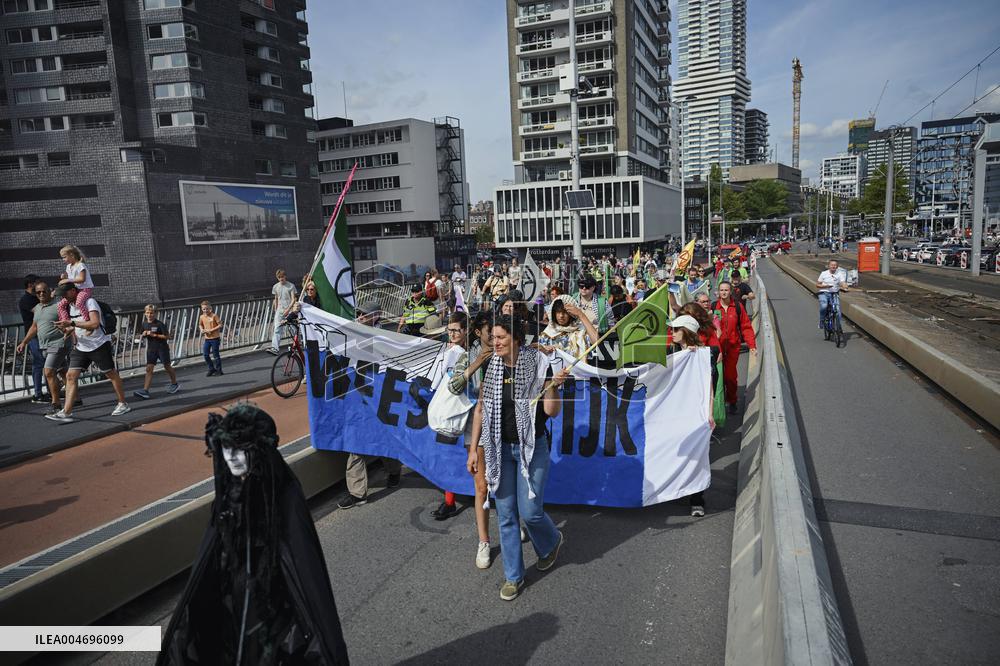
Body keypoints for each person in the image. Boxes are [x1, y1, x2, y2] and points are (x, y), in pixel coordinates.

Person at [157, 405, 349, 665]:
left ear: (258, 450)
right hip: (232, 595)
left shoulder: (282, 493)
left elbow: (302, 564)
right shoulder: (228, 490)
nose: (232, 457)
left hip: (273, 598)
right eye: (226, 449)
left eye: (240, 449)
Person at [467, 316, 572, 600]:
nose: (495, 342)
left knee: (531, 512)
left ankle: (551, 541)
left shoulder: (538, 363)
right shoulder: (491, 366)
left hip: (532, 448)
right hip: (499, 449)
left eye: (501, 338)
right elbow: (480, 410)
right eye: (494, 337)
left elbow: (551, 412)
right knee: (506, 515)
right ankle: (514, 577)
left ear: (515, 339)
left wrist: (551, 385)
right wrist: (475, 450)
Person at [448, 311, 495, 568]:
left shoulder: (506, 353)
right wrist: (477, 361)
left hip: (502, 426)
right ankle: (484, 541)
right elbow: (454, 386)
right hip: (473, 429)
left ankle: (516, 523)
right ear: (478, 333)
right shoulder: (467, 356)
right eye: (491, 331)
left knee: (507, 482)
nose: (495, 335)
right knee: (481, 486)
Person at [45, 284, 130, 423]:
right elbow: (74, 326)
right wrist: (65, 329)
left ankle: (123, 403)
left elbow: (94, 323)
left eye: (65, 293)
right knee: (71, 376)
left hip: (99, 344)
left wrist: (72, 322)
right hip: (81, 346)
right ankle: (66, 412)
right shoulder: (68, 306)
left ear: (73, 291)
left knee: (111, 374)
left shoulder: (90, 302)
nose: (63, 297)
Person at [429, 312, 470, 521]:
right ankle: (449, 500)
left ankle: (450, 501)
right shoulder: (451, 350)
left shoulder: (460, 352)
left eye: (456, 330)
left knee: (453, 455)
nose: (452, 333)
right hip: (446, 407)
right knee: (448, 455)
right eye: (450, 330)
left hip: (458, 408)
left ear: (465, 331)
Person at [17, 281, 69, 413]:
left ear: (49, 291)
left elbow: (68, 321)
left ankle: (56, 404)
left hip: (58, 344)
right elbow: (34, 327)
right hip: (45, 346)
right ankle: (76, 398)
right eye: (38, 292)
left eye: (44, 291)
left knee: (49, 372)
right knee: (62, 372)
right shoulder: (38, 308)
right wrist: (24, 342)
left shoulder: (58, 305)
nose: (41, 294)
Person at [712, 282, 757, 414]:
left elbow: (746, 327)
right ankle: (716, 404)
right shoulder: (714, 307)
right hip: (717, 349)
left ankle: (732, 400)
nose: (724, 292)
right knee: (716, 377)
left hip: (732, 347)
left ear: (730, 291)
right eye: (721, 290)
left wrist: (752, 345)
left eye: (726, 290)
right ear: (718, 292)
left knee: (730, 377)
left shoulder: (737, 307)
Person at [133, 305, 179, 400]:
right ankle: (145, 391)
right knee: (149, 369)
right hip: (151, 349)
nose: (149, 315)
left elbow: (167, 336)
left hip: (162, 348)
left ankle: (174, 383)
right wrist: (143, 334)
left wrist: (155, 335)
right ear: (145, 313)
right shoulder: (144, 324)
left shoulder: (159, 324)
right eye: (148, 313)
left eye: (152, 313)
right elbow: (140, 334)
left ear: (155, 313)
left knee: (167, 366)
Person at [18, 274, 47, 403]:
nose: (40, 288)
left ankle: (51, 391)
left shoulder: (37, 297)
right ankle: (38, 394)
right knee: (39, 363)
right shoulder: (26, 300)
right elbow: (40, 312)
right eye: (38, 283)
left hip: (44, 334)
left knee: (48, 364)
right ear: (31, 285)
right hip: (33, 336)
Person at [56, 245, 94, 323]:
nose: (63, 259)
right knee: (60, 305)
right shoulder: (68, 267)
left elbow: (81, 279)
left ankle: (87, 321)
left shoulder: (80, 265)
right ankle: (65, 323)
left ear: (71, 255)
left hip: (85, 289)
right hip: (75, 290)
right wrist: (64, 277)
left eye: (64, 257)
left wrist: (67, 280)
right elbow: (70, 278)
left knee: (79, 303)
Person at [270, 269, 297, 354]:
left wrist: (288, 309)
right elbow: (276, 299)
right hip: (280, 310)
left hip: (289, 310)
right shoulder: (275, 287)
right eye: (279, 277)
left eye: (282, 277)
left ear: (285, 276)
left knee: (293, 329)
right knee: (277, 329)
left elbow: (293, 299)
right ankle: (275, 348)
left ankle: (296, 345)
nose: (281, 279)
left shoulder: (291, 286)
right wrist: (275, 310)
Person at [816, 259, 849, 329]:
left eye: (835, 265)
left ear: (837, 266)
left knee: (837, 309)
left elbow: (842, 282)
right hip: (823, 293)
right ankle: (821, 321)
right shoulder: (823, 273)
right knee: (824, 306)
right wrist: (826, 286)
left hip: (834, 293)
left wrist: (845, 285)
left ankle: (838, 326)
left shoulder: (839, 274)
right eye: (832, 265)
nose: (833, 266)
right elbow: (817, 285)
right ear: (829, 266)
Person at [199, 300, 223, 376]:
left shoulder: (214, 315)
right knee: (206, 354)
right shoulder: (202, 316)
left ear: (210, 308)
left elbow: (220, 325)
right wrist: (202, 329)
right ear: (202, 309)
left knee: (216, 355)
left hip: (215, 338)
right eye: (204, 309)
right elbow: (200, 324)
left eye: (207, 309)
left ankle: (219, 370)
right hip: (207, 339)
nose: (205, 310)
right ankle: (211, 368)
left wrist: (211, 330)